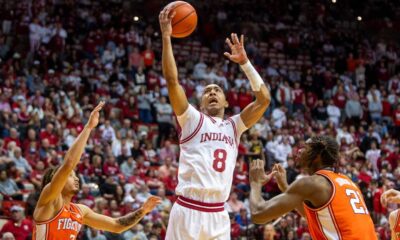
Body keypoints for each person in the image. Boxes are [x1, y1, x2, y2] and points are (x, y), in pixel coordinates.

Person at [159, 6, 271, 240]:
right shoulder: (191, 118)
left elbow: (264, 99)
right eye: (207, 91)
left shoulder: (234, 126)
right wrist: (166, 37)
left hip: (218, 213)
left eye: (217, 90)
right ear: (200, 102)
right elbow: (172, 81)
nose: (211, 92)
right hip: (187, 209)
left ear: (226, 101)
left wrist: (245, 64)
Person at [32, 102, 161, 240]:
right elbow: (68, 164)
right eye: (70, 176)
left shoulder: (80, 211)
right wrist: (88, 127)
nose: (76, 178)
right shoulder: (50, 201)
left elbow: (117, 226)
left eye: (75, 175)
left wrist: (142, 211)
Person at [249, 135, 376, 240]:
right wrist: (285, 187)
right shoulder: (346, 181)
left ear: (317, 155)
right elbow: (316, 218)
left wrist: (256, 183)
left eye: (305, 147)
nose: (299, 150)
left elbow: (258, 214)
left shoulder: (312, 183)